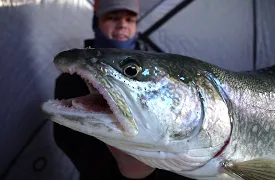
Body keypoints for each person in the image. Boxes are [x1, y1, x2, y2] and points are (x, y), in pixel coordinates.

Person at [53, 0, 190, 179]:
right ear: (97, 22)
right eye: (112, 17)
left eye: (130, 19)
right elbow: (70, 142)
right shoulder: (71, 78)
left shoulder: (163, 71)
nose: (122, 25)